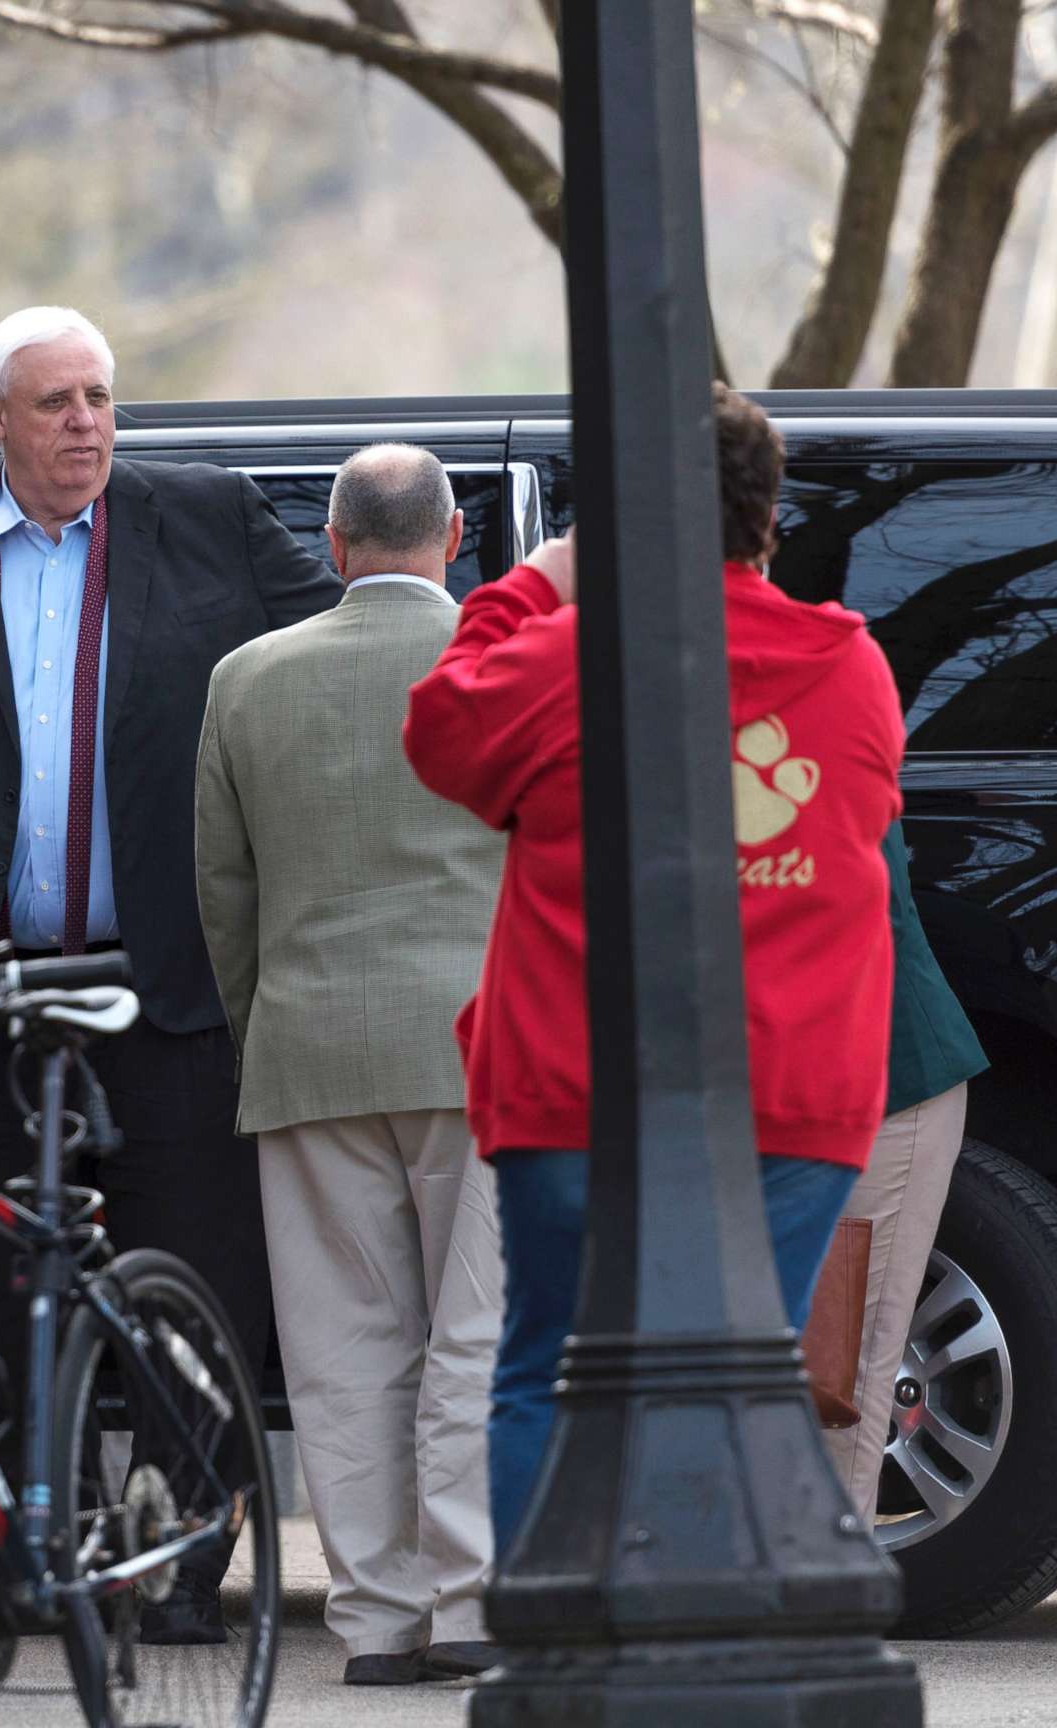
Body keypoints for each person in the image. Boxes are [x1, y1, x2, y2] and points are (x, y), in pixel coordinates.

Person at [0, 304, 338, 1643]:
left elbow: (336, 672)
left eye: (99, 398)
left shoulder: (210, 521)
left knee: (197, 1284)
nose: (84, 424)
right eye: (55, 402)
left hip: (172, 984)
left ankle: (187, 1554)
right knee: (1, 1297)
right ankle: (20, 1553)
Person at [402, 385, 906, 1552]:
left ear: (624, 522)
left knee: (545, 1368)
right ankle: (704, 1629)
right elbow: (870, 813)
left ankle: (560, 1632)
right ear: (768, 518)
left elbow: (440, 730)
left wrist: (540, 579)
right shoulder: (851, 670)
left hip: (583, 1081)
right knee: (743, 1375)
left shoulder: (569, 655)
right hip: (792, 1091)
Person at [193, 444, 504, 1686]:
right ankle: (476, 1603)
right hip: (488, 1049)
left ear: (331, 546)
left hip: (308, 1047)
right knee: (477, 1335)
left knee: (341, 1349)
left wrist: (259, 1026)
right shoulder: (505, 667)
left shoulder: (246, 680)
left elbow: (226, 893)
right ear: (456, 532)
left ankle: (377, 1618)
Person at [822, 824, 985, 1518]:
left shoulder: (823, 728)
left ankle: (825, 1611)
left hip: (882, 1081)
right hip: (759, 1092)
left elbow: (856, 901)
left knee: (838, 1373)